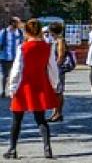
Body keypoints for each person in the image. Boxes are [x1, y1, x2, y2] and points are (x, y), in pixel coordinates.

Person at [6, 18, 57, 159]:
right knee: (41, 119)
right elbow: (52, 68)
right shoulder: (47, 47)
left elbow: (17, 69)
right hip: (40, 84)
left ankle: (12, 149)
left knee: (17, 119)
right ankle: (47, 148)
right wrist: (53, 84)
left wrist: (12, 87)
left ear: (26, 32)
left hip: (24, 85)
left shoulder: (23, 47)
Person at [45, 23, 67, 123]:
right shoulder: (54, 40)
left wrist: (56, 67)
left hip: (58, 69)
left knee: (59, 92)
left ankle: (58, 113)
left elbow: (61, 55)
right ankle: (55, 113)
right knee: (56, 92)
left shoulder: (60, 40)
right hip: (54, 68)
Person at [0, 19, 25, 98]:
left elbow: (23, 43)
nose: (19, 24)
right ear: (12, 23)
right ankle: (3, 91)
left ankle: (14, 91)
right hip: (5, 57)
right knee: (5, 75)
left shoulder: (20, 32)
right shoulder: (4, 32)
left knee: (16, 74)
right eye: (18, 22)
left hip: (17, 57)